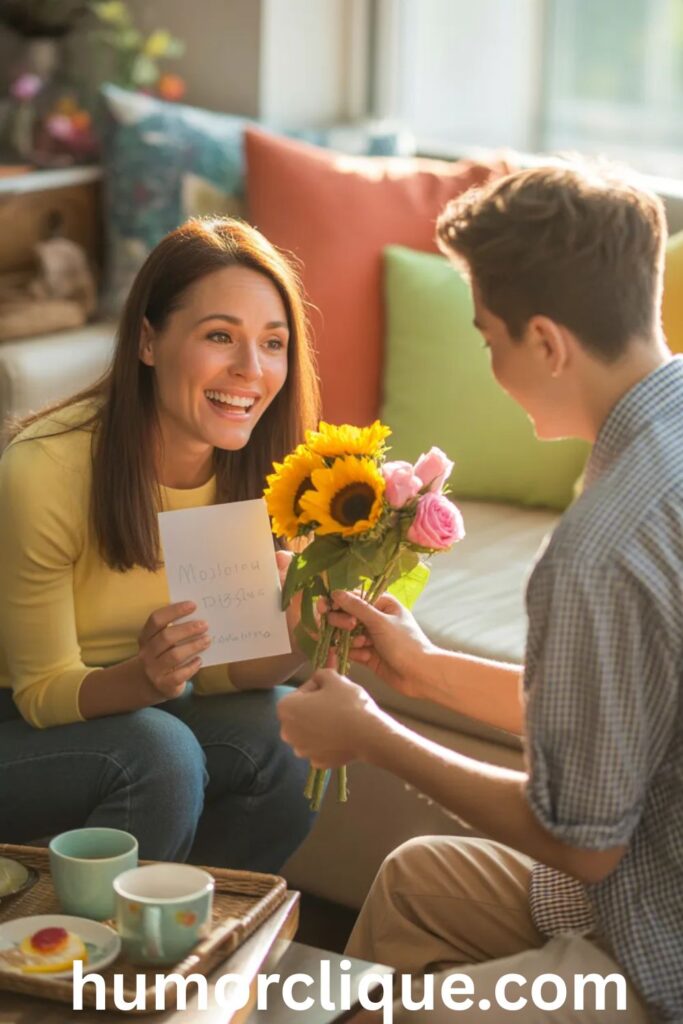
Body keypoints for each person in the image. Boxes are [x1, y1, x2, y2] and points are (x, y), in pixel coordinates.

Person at [278, 165, 682, 1022]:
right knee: (417, 880)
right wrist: (422, 671)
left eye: (488, 337)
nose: (489, 361)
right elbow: (623, 715)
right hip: (649, 882)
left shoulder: (600, 545)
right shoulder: (656, 437)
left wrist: (372, 739)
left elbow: (586, 848)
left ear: (545, 341)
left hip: (658, 947)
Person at [0, 216, 320, 873]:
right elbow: (42, 692)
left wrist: (309, 631)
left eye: (273, 343)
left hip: (151, 707)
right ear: (148, 340)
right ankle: (82, 967)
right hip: (19, 723)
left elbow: (225, 672)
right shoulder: (47, 468)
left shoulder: (254, 468)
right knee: (159, 752)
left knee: (292, 732)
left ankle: (189, 943)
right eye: (219, 336)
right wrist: (146, 677)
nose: (250, 370)